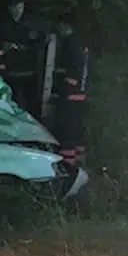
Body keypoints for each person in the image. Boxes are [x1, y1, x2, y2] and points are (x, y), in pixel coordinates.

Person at [0, 0, 45, 114]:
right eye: (15, 7)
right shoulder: (2, 25)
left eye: (20, 7)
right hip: (10, 70)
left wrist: (35, 39)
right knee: (11, 101)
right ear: (9, 8)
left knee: (32, 102)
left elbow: (40, 43)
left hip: (28, 70)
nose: (18, 10)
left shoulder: (31, 24)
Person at [51, 21, 89, 167]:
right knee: (77, 132)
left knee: (66, 131)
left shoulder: (71, 45)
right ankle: (80, 162)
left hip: (70, 96)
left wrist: (62, 91)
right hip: (80, 95)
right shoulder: (82, 44)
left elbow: (71, 72)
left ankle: (67, 166)